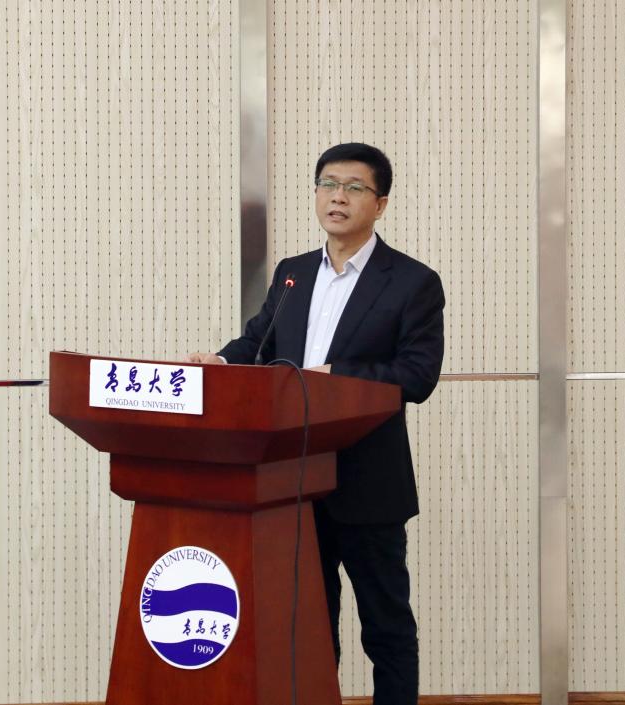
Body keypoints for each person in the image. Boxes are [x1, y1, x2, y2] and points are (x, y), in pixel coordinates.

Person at [188, 142, 444, 705]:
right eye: (328, 184)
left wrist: (336, 375)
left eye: (354, 187)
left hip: (369, 482)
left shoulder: (412, 282)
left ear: (380, 204)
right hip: (295, 480)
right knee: (308, 625)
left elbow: (418, 375)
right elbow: (259, 342)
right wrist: (222, 362)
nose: (338, 197)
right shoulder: (293, 274)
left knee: (386, 627)